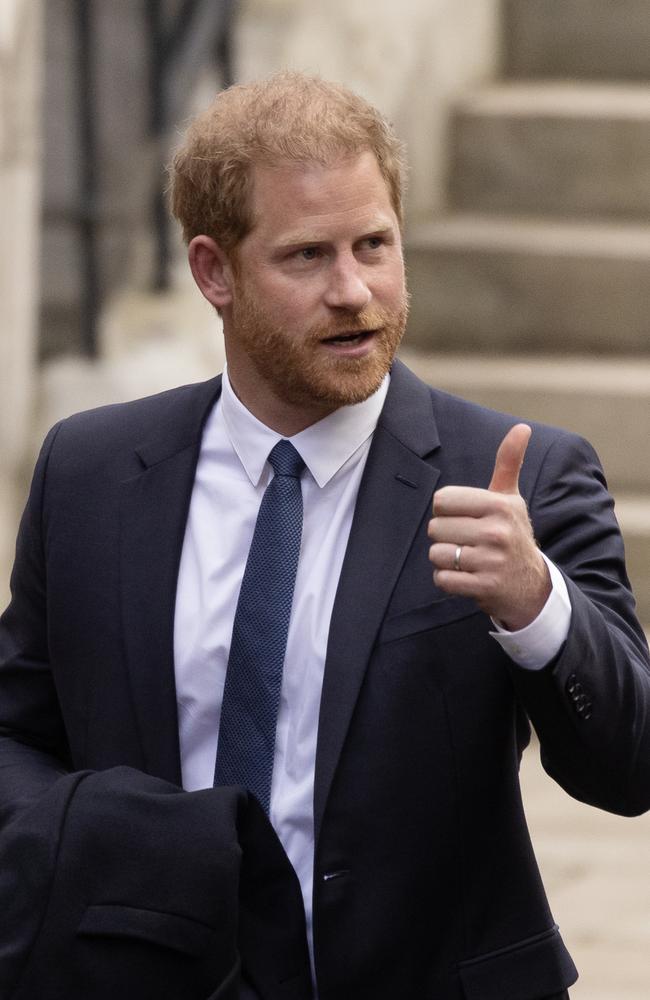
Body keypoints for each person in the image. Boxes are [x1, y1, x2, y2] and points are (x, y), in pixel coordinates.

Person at [1, 72, 649, 1000]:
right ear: (212, 272)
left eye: (375, 245)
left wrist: (539, 607)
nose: (354, 291)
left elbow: (631, 768)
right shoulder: (91, 471)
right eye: (307, 256)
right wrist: (108, 839)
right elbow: (15, 733)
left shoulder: (521, 474)